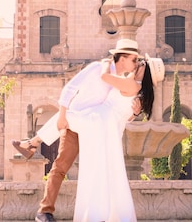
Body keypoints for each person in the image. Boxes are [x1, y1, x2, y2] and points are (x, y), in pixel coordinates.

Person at [12, 39, 142, 222]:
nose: (136, 64)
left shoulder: (121, 82)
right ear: (123, 58)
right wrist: (63, 115)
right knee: (61, 167)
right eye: (134, 59)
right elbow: (69, 88)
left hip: (98, 131)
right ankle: (44, 211)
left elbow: (119, 113)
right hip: (77, 124)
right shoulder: (97, 68)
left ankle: (32, 144)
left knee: (100, 172)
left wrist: (135, 113)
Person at [66, 55, 161, 222]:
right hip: (108, 128)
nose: (138, 63)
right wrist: (136, 113)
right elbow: (127, 116)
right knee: (106, 172)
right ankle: (106, 214)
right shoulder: (137, 89)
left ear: (146, 72)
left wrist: (107, 63)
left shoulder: (131, 85)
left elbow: (104, 77)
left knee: (66, 116)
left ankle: (34, 141)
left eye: (142, 63)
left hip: (100, 123)